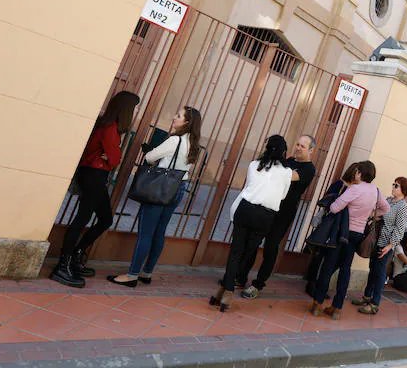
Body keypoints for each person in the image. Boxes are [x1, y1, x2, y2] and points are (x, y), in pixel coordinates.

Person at [51, 91, 140, 288]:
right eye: (134, 108)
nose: (135, 112)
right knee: (81, 219)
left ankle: (77, 254)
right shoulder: (110, 128)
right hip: (93, 174)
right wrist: (111, 156)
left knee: (105, 219)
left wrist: (110, 156)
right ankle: (62, 266)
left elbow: (112, 157)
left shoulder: (111, 126)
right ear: (126, 109)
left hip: (95, 175)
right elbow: (116, 159)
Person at [108, 106, 202, 287]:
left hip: (161, 188)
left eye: (179, 116)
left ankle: (132, 275)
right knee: (160, 232)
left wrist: (154, 153)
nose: (174, 118)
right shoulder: (193, 143)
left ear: (187, 123)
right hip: (178, 187)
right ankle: (147, 272)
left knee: (146, 233)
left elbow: (149, 157)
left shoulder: (175, 141)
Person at [211, 134, 292, 312]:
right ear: (283, 152)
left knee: (235, 252)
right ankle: (226, 292)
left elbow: (249, 186)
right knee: (247, 253)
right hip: (265, 216)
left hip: (245, 209)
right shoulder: (287, 173)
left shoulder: (254, 165)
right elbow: (283, 196)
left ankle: (225, 290)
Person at [310, 161, 389, 320]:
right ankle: (337, 308)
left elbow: (334, 208)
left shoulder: (355, 189)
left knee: (328, 266)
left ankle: (317, 304)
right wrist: (370, 214)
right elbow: (386, 208)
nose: (355, 173)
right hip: (357, 235)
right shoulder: (376, 191)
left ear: (360, 173)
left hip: (341, 232)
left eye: (357, 171)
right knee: (345, 269)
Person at [243, 135, 316, 299]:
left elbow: (288, 176)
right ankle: (241, 277)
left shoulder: (309, 169)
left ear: (311, 150)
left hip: (284, 214)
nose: (298, 148)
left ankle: (258, 284)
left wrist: (282, 169)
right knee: (252, 242)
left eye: (302, 146)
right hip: (268, 208)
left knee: (270, 248)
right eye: (297, 144)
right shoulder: (288, 161)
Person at [357, 176, 407, 314]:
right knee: (372, 269)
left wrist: (390, 245)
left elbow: (400, 229)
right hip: (376, 240)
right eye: (393, 184)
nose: (393, 186)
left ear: (403, 190)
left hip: (386, 244)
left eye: (396, 185)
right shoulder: (388, 200)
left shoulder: (403, 207)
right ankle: (366, 297)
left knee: (380, 273)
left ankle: (375, 304)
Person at [304, 164, 356, 297]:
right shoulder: (339, 184)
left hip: (342, 228)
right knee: (319, 254)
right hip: (329, 224)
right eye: (357, 172)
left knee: (332, 259)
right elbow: (327, 202)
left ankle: (320, 285)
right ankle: (311, 284)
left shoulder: (356, 189)